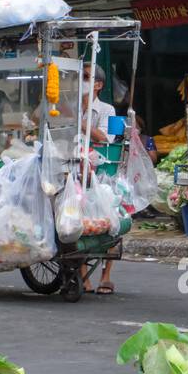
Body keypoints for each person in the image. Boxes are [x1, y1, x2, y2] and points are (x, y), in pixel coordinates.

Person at [81, 64, 119, 295]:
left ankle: (106, 275)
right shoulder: (70, 106)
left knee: (109, 219)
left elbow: (107, 137)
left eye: (87, 78)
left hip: (103, 171)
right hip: (77, 169)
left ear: (98, 85)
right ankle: (83, 274)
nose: (83, 81)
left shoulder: (108, 110)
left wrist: (81, 122)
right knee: (79, 219)